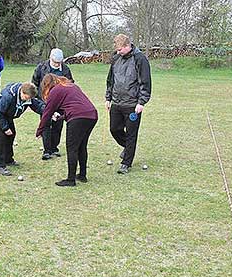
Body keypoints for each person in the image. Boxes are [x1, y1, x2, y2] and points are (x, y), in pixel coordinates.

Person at [36, 74, 98, 187]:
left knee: (72, 148)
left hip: (78, 118)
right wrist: (60, 117)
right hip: (92, 115)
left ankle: (70, 179)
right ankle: (82, 175)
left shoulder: (55, 90)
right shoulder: (71, 86)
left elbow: (47, 112)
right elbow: (74, 106)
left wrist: (40, 130)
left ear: (47, 85)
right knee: (81, 146)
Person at [105, 34, 152, 174]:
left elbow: (145, 82)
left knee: (131, 134)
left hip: (133, 105)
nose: (118, 52)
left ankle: (126, 163)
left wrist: (141, 102)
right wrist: (108, 98)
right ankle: (128, 148)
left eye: (120, 50)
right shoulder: (116, 58)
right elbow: (110, 80)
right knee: (114, 129)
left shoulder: (140, 59)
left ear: (127, 46)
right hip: (117, 102)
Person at [0, 82, 45, 176]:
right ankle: (0, 166)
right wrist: (5, 128)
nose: (28, 100)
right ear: (22, 92)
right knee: (0, 139)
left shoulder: (28, 95)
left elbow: (38, 106)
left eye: (30, 98)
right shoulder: (8, 96)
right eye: (27, 98)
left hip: (7, 114)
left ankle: (8, 159)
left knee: (11, 134)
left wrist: (49, 112)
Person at [32, 48, 74, 160]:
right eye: (55, 62)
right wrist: (38, 99)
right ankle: (47, 150)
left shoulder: (65, 69)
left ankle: (54, 148)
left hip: (60, 103)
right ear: (50, 58)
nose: (57, 64)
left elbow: (70, 84)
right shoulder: (41, 68)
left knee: (58, 125)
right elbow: (35, 83)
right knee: (46, 124)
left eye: (59, 62)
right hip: (45, 102)